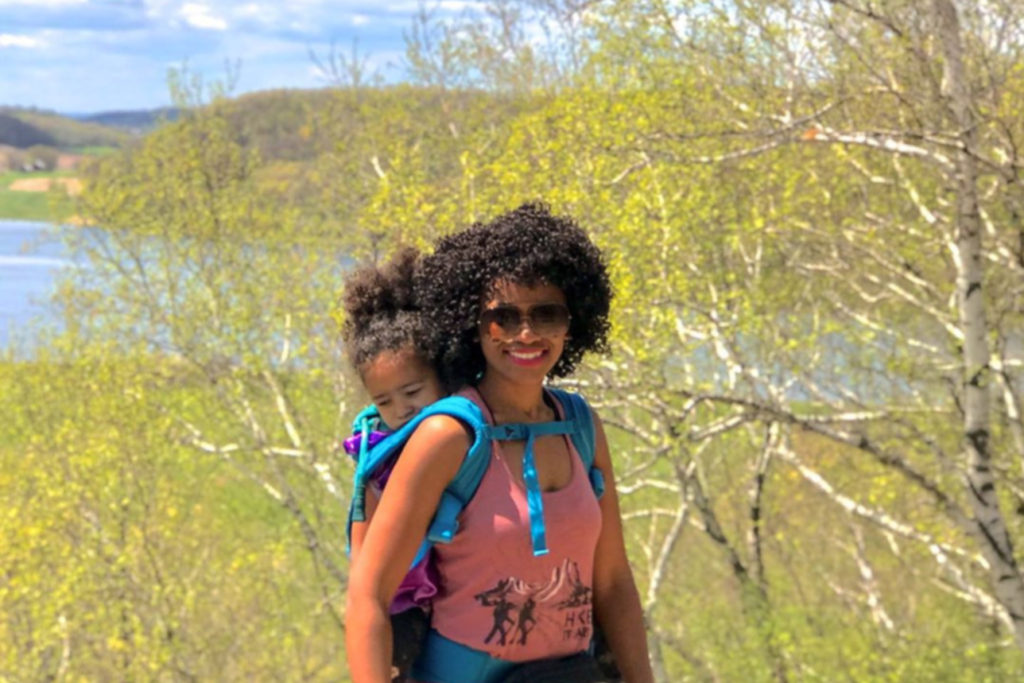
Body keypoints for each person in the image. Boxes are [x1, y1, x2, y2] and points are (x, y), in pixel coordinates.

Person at [346, 203, 654, 683]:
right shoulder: (448, 437)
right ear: (472, 323)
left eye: (546, 313)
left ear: (573, 323)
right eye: (502, 318)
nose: (526, 333)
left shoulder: (580, 426)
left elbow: (612, 582)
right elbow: (368, 596)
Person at [341, 247, 446, 681]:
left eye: (413, 391)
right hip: (402, 600)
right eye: (384, 401)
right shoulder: (379, 454)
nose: (401, 409)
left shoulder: (463, 431)